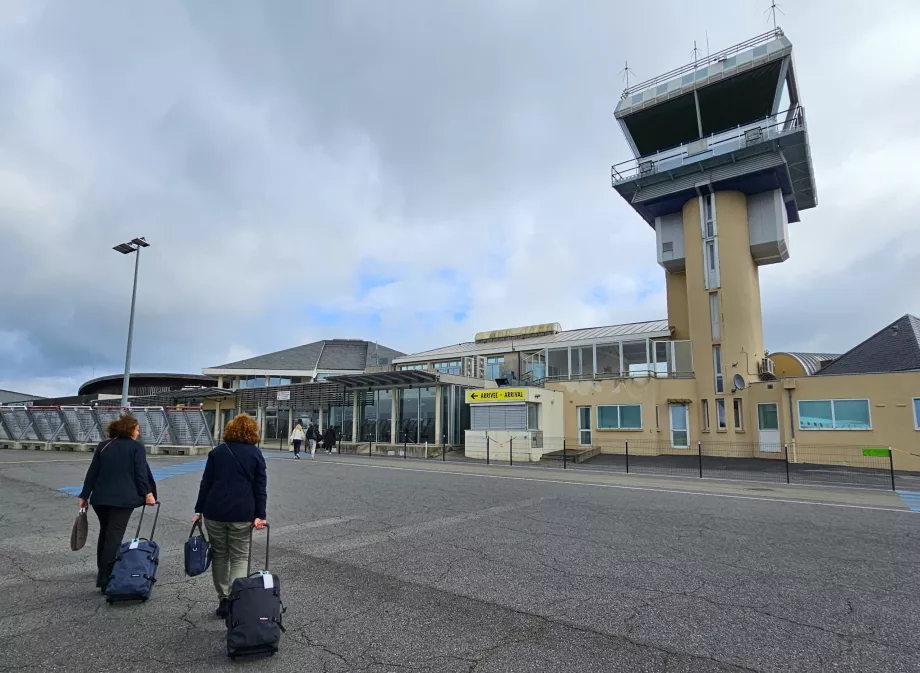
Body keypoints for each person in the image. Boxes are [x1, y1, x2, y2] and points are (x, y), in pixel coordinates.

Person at [193, 413, 267, 618]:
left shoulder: (217, 452)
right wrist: (260, 514)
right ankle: (236, 599)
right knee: (239, 556)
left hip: (214, 510)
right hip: (242, 512)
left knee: (219, 554)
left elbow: (206, 483)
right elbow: (260, 487)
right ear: (253, 432)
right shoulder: (255, 454)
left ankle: (223, 598)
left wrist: (198, 510)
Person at [78, 414, 157, 593]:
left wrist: (84, 495)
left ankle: (102, 569)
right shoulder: (136, 447)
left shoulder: (104, 446)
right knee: (114, 537)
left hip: (100, 498)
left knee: (105, 533)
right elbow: (140, 473)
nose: (138, 432)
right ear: (129, 430)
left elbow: (92, 473)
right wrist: (148, 494)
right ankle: (106, 579)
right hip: (123, 499)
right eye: (137, 429)